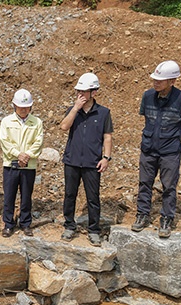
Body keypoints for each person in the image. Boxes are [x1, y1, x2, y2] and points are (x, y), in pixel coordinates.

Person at [131, 61, 181, 238]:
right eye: (154, 79)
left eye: (160, 80)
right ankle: (142, 214)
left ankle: (166, 218)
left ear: (172, 81)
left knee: (169, 186)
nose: (156, 83)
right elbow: (146, 117)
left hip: (170, 152)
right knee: (145, 183)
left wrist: (173, 137)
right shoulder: (147, 96)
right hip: (148, 149)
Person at [60, 73, 113, 246]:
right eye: (78, 91)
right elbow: (63, 126)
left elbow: (107, 137)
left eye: (84, 91)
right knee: (70, 194)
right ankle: (69, 226)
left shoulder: (103, 113)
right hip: (72, 160)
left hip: (92, 162)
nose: (80, 95)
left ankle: (94, 230)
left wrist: (106, 157)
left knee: (93, 197)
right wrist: (75, 108)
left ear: (94, 92)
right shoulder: (72, 110)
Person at [0, 89, 44, 238]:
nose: (24, 109)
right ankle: (8, 224)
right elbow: (4, 142)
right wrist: (18, 155)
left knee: (26, 196)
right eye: (20, 106)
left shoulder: (37, 122)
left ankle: (25, 223)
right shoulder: (6, 121)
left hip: (28, 165)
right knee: (9, 196)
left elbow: (38, 142)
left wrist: (27, 156)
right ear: (14, 105)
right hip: (11, 164)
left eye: (26, 107)